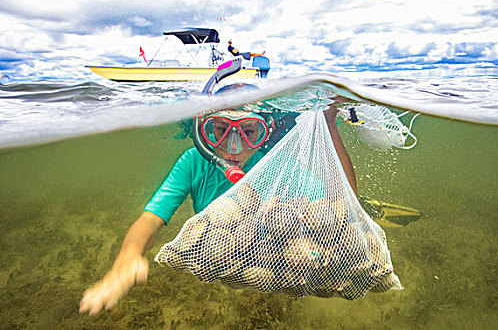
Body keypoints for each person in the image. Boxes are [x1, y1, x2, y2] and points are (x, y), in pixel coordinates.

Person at [79, 105, 357, 316]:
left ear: (264, 133)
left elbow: (343, 204)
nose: (232, 147)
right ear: (204, 131)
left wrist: (329, 122)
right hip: (222, 248)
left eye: (249, 132)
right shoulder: (192, 163)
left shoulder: (274, 166)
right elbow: (151, 219)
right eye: (219, 129)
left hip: (268, 253)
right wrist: (128, 256)